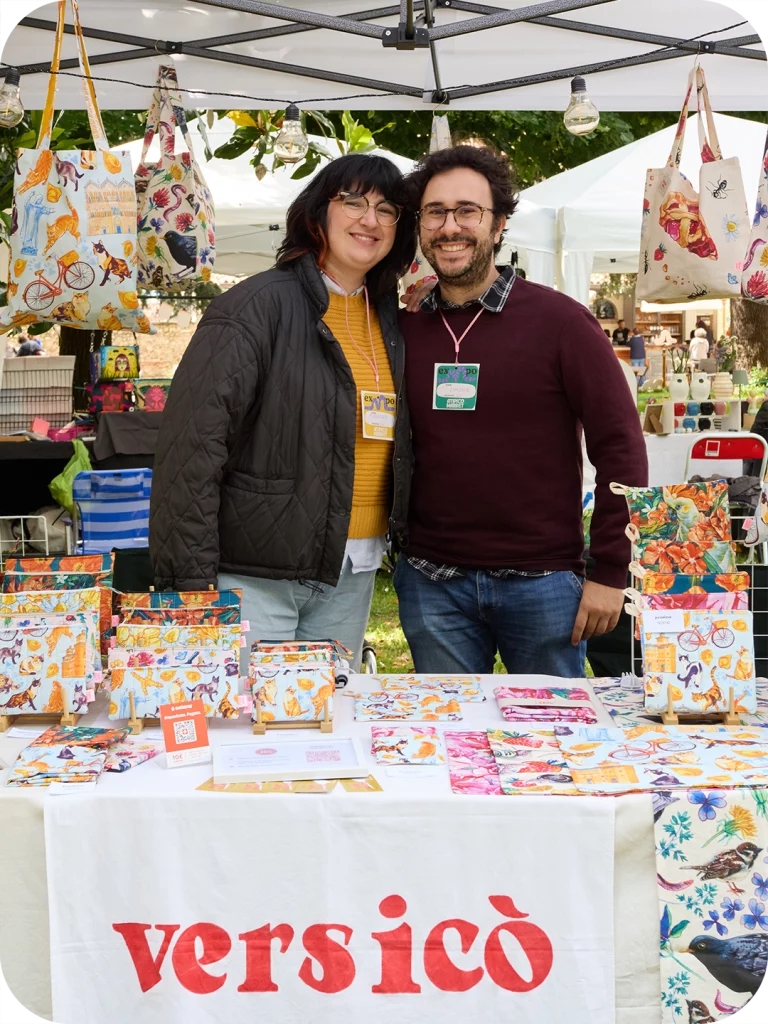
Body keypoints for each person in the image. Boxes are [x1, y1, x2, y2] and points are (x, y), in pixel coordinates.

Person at [149, 154, 416, 668]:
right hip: (255, 578)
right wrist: (190, 584)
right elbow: (191, 452)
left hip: (351, 570)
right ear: (317, 213)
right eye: (353, 202)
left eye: (387, 210)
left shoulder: (389, 318)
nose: (370, 220)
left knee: (325, 730)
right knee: (248, 731)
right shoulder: (253, 307)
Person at [395, 145, 648, 676]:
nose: (450, 227)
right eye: (435, 212)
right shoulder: (404, 329)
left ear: (500, 223)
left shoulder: (561, 322)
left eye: (468, 211)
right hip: (432, 582)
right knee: (450, 746)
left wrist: (610, 570)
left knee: (559, 745)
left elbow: (621, 448)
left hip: (544, 584)